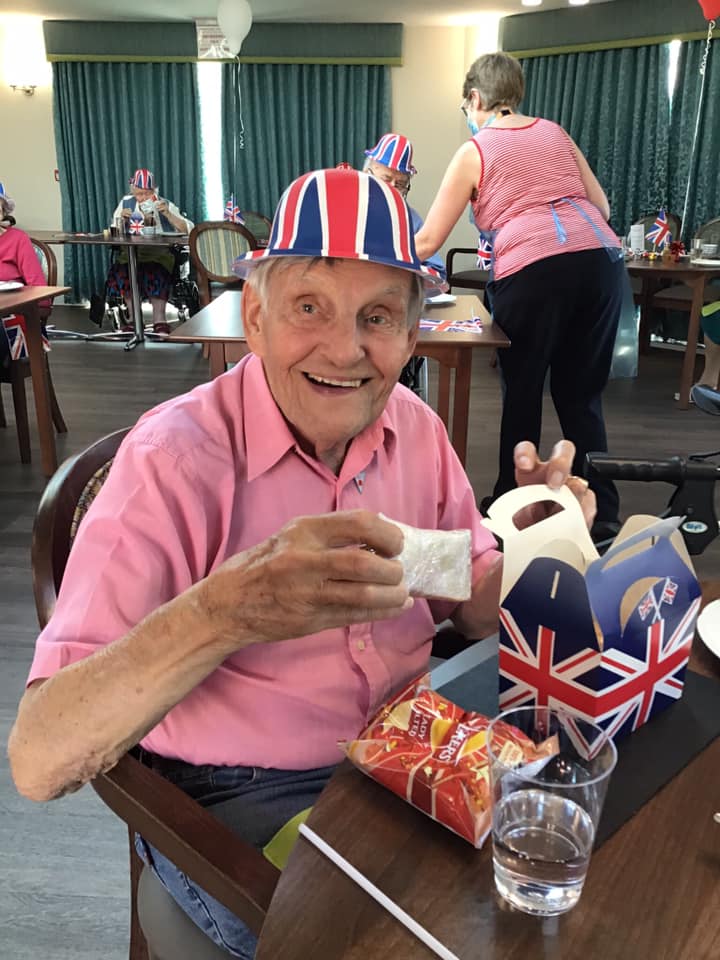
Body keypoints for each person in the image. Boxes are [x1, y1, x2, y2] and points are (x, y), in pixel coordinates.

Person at [9, 168, 594, 959]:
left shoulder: (414, 432)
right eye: (309, 307)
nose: (346, 350)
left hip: (413, 744)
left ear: (414, 331)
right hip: (243, 791)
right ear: (254, 316)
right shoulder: (170, 464)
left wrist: (537, 539)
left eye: (379, 316)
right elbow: (40, 759)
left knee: (576, 863)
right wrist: (227, 612)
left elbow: (469, 597)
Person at [414, 52, 625, 544]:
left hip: (532, 268)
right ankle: (605, 514)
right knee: (581, 394)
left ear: (475, 98)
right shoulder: (555, 133)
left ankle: (512, 501)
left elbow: (428, 242)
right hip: (600, 259)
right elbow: (603, 206)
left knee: (524, 388)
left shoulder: (476, 149)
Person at [106, 168, 193, 335]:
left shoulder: (163, 203)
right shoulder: (126, 203)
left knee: (155, 271)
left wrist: (167, 214)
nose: (143, 198)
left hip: (159, 254)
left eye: (147, 193)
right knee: (124, 272)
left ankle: (159, 319)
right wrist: (122, 221)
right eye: (139, 194)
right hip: (131, 254)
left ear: (155, 190)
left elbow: (187, 229)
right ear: (133, 191)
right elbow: (114, 232)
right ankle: (134, 318)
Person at [363, 133, 445, 280]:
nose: (392, 188)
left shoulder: (410, 219)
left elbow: (437, 272)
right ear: (366, 174)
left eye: (400, 184)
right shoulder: (348, 208)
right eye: (385, 179)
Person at [0, 181, 50, 369]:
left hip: (15, 314)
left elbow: (38, 288)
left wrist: (40, 310)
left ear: (3, 210)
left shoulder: (17, 239)